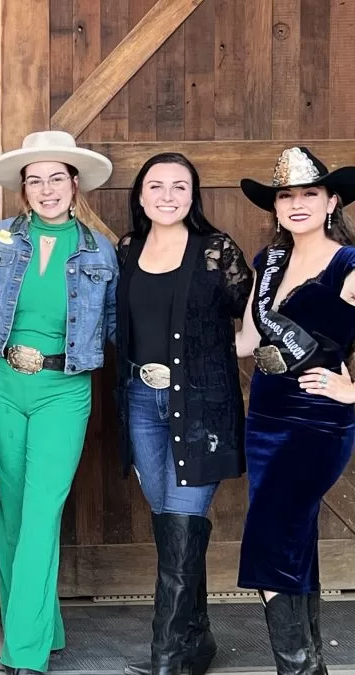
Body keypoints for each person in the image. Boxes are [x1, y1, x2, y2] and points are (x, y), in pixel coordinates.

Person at [0, 130, 117, 675]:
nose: (47, 188)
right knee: (7, 509)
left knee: (41, 509)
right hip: (1, 381)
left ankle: (23, 652)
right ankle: (42, 624)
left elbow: (117, 323)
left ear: (75, 185)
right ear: (22, 189)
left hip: (64, 389)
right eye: (36, 180)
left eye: (57, 177)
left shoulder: (100, 249)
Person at [115, 153, 252, 675]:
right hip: (140, 403)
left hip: (199, 407)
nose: (167, 195)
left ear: (193, 195)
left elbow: (256, 312)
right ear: (141, 194)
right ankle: (196, 640)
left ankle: (167, 657)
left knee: (183, 516)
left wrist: (233, 350)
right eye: (156, 185)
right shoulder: (129, 248)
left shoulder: (216, 250)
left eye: (180, 186)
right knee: (170, 520)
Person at [234, 147, 355, 675]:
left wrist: (351, 393)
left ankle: (298, 670)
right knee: (293, 544)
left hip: (318, 422)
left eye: (310, 193)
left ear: (332, 201)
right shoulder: (268, 262)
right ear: (276, 207)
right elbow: (245, 340)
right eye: (287, 196)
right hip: (265, 417)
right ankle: (312, 669)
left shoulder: (349, 264)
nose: (298, 204)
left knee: (267, 546)